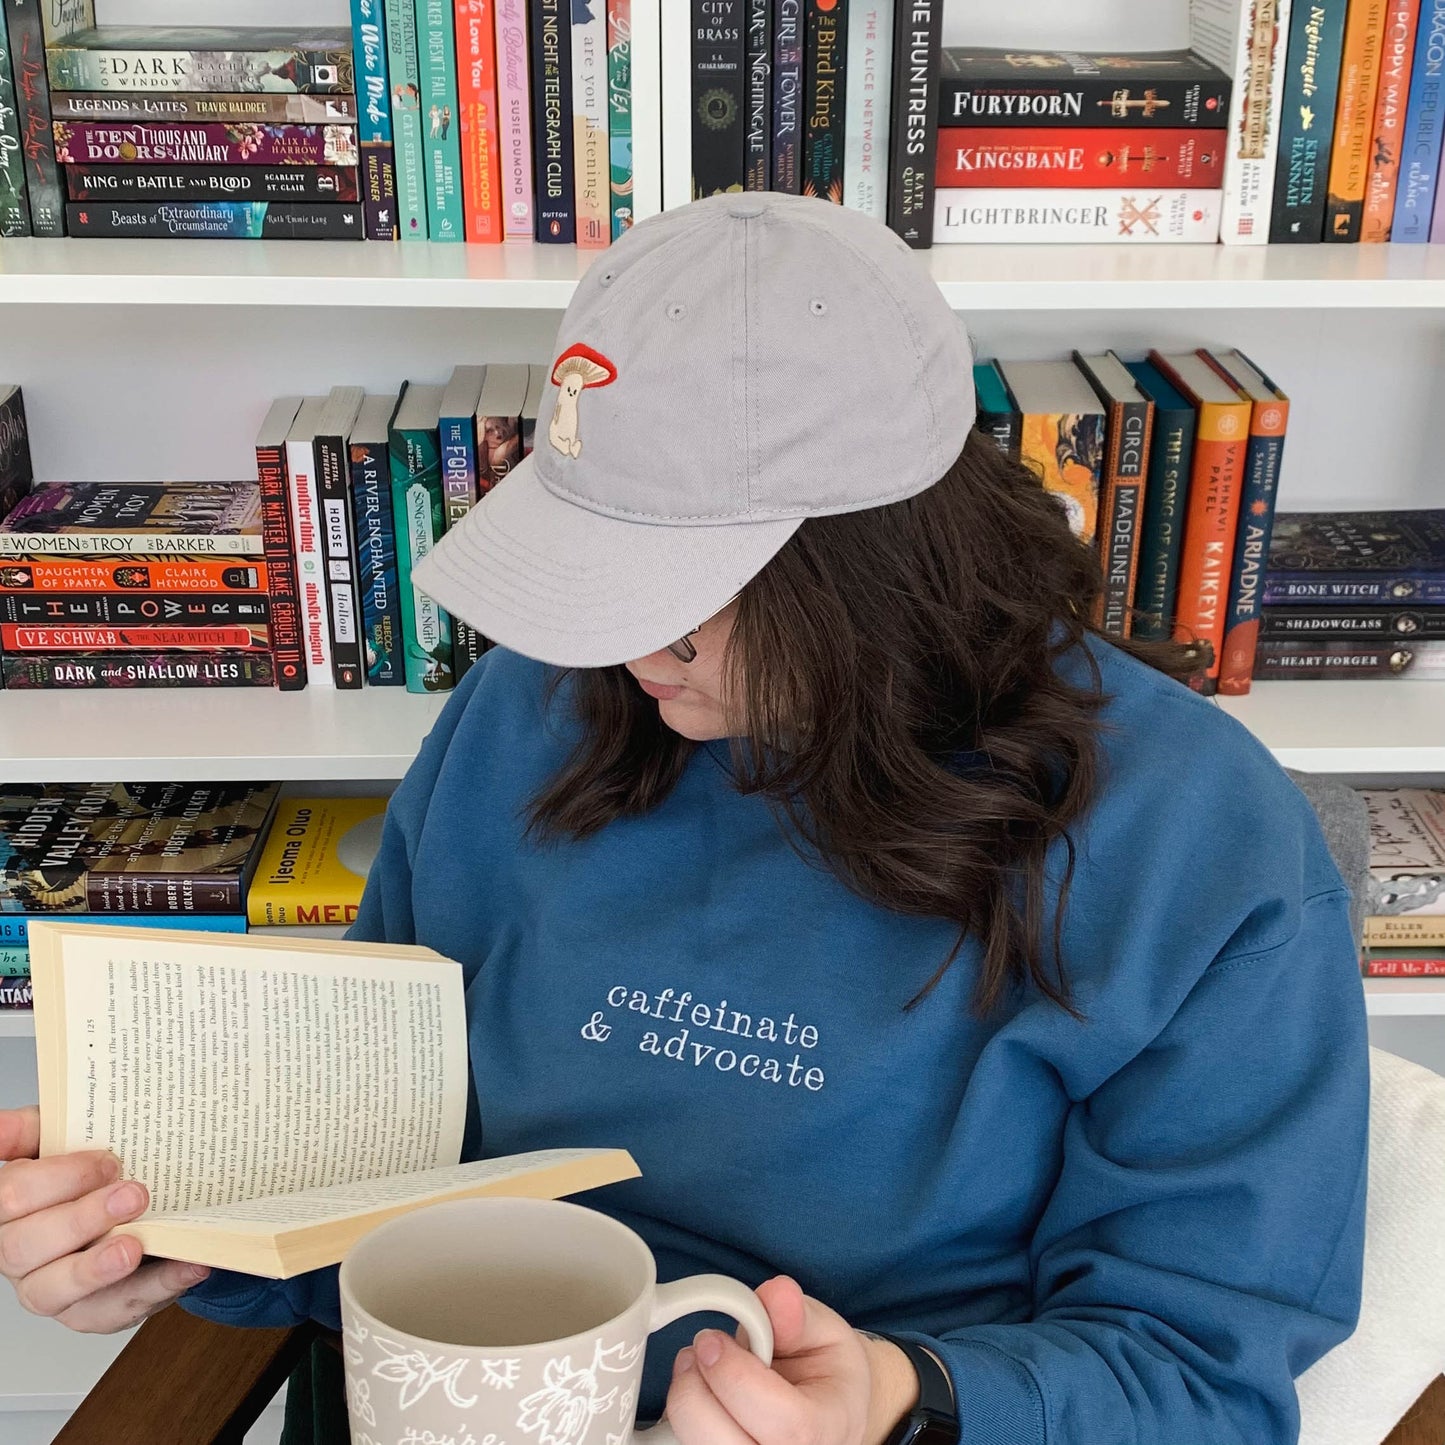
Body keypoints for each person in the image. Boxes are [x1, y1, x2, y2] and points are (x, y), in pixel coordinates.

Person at [0, 193, 1368, 1445]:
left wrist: (901, 1398)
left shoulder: (1200, 850)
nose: (626, 644)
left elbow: (1198, 1375)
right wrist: (161, 1235)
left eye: (683, 583)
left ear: (879, 562)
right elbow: (362, 1169)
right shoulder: (531, 713)